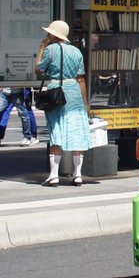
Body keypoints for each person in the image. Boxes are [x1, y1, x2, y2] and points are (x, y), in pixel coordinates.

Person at [34, 20, 90, 186]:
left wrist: (41, 49)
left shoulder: (50, 49)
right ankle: (78, 175)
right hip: (75, 93)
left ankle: (54, 175)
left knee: (56, 131)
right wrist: (86, 102)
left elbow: (38, 70)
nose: (47, 35)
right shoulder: (76, 51)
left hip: (56, 92)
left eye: (49, 33)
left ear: (54, 34)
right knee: (77, 133)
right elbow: (81, 78)